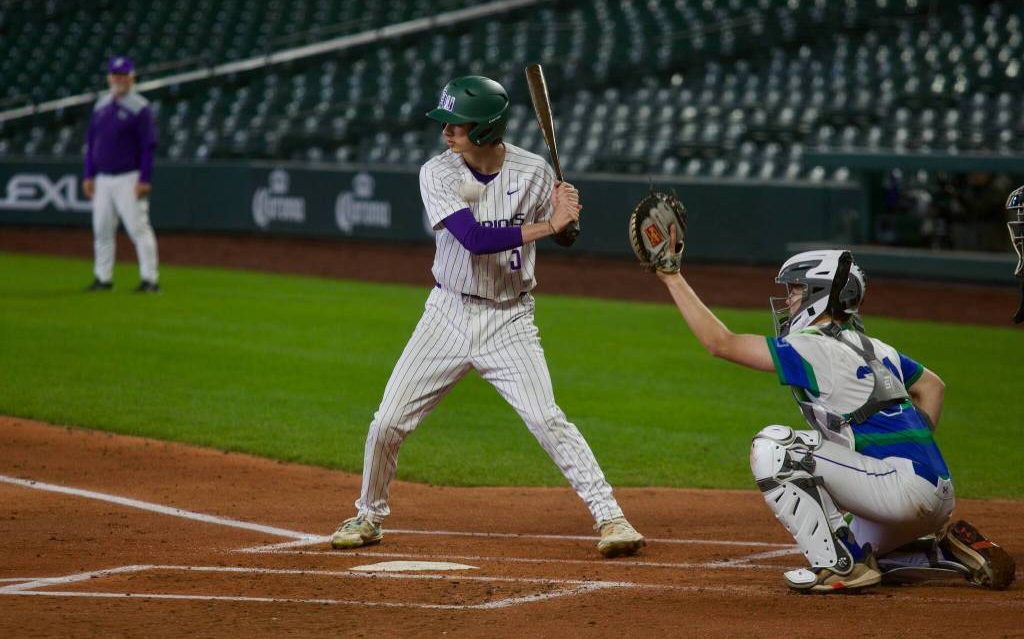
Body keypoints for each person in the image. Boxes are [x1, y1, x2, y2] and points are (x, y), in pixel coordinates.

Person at [331, 75, 645, 557]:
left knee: (546, 418)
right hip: (447, 314)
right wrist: (549, 224)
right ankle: (369, 515)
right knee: (388, 421)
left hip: (511, 319)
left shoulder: (535, 171)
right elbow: (474, 241)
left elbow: (564, 235)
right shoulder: (436, 173)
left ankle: (612, 518)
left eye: (456, 124)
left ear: (484, 128)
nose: (446, 132)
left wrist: (566, 217)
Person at [653, 244, 1014, 592]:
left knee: (774, 448)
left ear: (819, 294)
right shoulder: (875, 346)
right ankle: (944, 550)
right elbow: (934, 387)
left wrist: (672, 278)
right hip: (934, 491)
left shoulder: (813, 346)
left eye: (796, 289)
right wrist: (900, 459)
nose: (789, 299)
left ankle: (840, 567)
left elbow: (722, 343)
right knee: (859, 545)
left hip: (898, 493)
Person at [83, 56, 160, 293]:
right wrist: (89, 175)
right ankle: (103, 278)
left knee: (138, 228)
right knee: (102, 229)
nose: (119, 79)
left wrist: (144, 178)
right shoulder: (101, 105)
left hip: (129, 177)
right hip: (103, 178)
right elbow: (91, 143)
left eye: (123, 75)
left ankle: (150, 279)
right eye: (115, 75)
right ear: (109, 77)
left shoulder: (140, 107)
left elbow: (148, 146)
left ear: (131, 77)